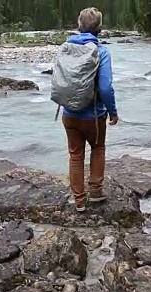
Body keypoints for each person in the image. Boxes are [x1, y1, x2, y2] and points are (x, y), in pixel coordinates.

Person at [61, 7, 118, 212]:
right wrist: (113, 112)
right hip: (93, 115)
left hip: (69, 113)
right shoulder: (101, 51)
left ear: (79, 25)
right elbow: (105, 87)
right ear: (99, 28)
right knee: (98, 148)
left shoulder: (66, 47)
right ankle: (95, 192)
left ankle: (78, 200)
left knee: (75, 155)